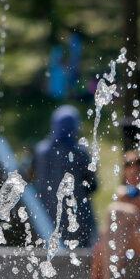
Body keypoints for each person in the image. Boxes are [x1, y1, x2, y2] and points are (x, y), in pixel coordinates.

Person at [31, 105, 98, 248]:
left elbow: (30, 178)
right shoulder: (80, 153)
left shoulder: (40, 151)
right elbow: (93, 186)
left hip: (45, 215)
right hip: (76, 216)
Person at [87, 150, 140, 279]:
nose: (133, 178)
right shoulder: (125, 191)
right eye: (130, 175)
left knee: (111, 226)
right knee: (101, 246)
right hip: (128, 233)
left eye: (137, 174)